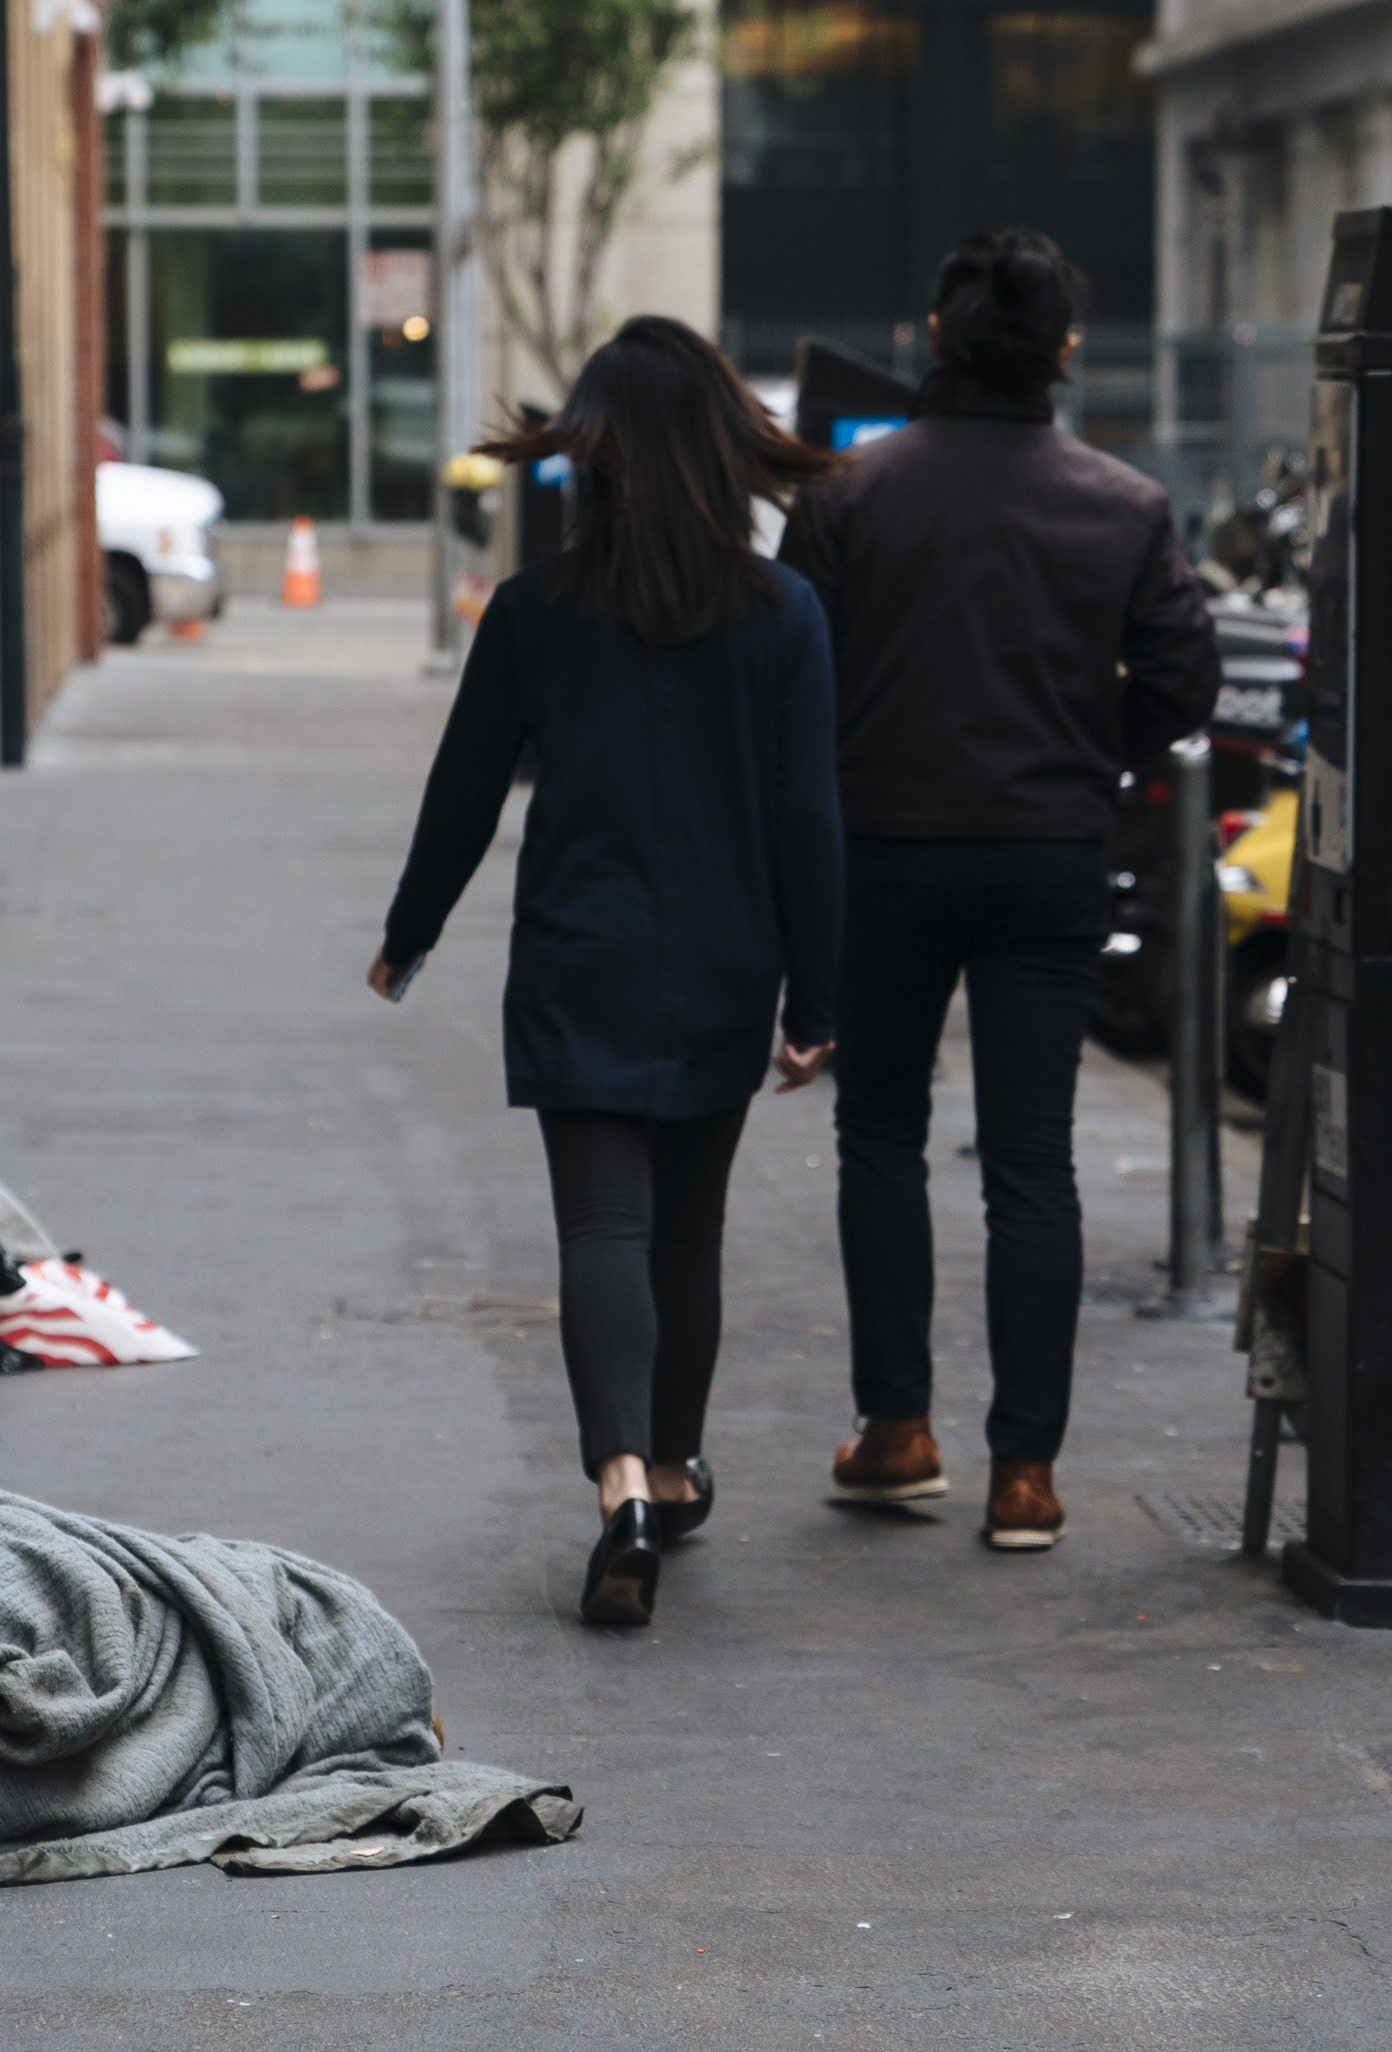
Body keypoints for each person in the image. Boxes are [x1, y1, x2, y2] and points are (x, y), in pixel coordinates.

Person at [371, 315, 845, 1628]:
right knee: (687, 1232)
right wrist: (819, 998)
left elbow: (465, 786)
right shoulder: (786, 617)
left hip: (578, 952)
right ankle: (680, 1466)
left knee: (600, 1227)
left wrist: (411, 934)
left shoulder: (536, 613)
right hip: (727, 956)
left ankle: (621, 1486)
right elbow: (811, 820)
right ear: (717, 452)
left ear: (596, 459)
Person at [780, 226, 1222, 1552]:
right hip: (1049, 857)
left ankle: (897, 1427)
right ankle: (1024, 1472)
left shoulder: (852, 493)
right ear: (1067, 351)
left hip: (887, 855)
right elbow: (1186, 683)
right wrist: (1093, 765)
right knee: (1035, 1159)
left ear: (934, 332)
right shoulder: (1124, 502)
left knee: (881, 1137)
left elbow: (789, 680)